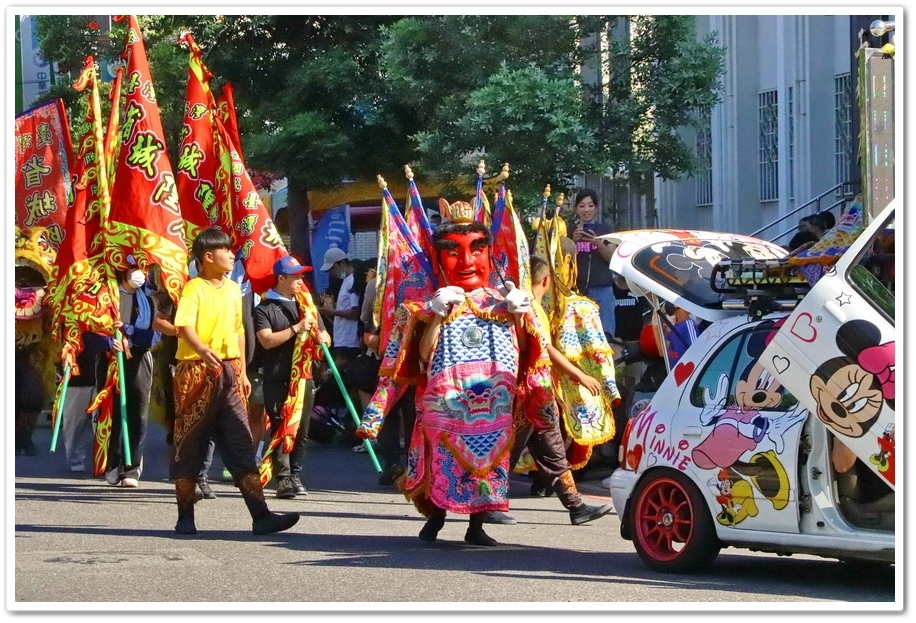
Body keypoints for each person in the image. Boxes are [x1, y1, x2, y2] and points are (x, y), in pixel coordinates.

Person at [357, 201, 556, 547]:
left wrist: (521, 316)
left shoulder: (504, 301)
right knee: (441, 462)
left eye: (477, 250)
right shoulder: (424, 305)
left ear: (490, 253)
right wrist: (434, 314)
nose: (466, 262)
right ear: (438, 257)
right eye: (453, 252)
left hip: (492, 404)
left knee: (486, 467)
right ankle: (435, 518)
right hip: (445, 403)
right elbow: (419, 357)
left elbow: (524, 353)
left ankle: (477, 525)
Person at [169, 226, 299, 536]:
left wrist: (241, 370)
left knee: (241, 442)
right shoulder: (193, 288)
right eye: (226, 251)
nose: (232, 255)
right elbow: (183, 323)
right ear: (208, 256)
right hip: (195, 372)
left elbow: (240, 330)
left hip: (228, 372)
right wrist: (201, 348)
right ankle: (185, 516)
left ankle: (261, 515)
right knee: (189, 445)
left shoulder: (232, 289)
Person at [503, 256, 615, 526]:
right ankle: (483, 508)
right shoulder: (524, 306)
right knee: (506, 453)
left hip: (541, 391)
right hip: (525, 392)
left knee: (553, 450)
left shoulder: (532, 306)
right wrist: (579, 375)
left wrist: (575, 375)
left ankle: (576, 507)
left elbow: (546, 349)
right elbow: (541, 349)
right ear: (546, 280)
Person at [253, 255, 330, 500]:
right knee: (280, 427)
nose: (300, 280)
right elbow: (266, 340)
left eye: (301, 275)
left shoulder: (306, 305)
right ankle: (283, 478)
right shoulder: (264, 308)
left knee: (302, 430)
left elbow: (327, 338)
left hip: (304, 376)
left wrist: (320, 337)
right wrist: (296, 329)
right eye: (295, 276)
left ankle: (295, 474)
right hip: (277, 377)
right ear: (281, 278)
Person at [104, 259, 167, 488]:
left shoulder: (148, 300)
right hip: (110, 360)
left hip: (139, 357)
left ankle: (131, 468)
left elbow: (155, 335)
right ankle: (112, 463)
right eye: (134, 268)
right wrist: (108, 342)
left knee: (137, 412)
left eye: (143, 268)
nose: (140, 273)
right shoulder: (107, 295)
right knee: (112, 411)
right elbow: (90, 329)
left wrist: (130, 332)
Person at [60, 332, 111, 473]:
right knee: (74, 420)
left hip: (105, 370)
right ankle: (75, 457)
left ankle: (105, 459)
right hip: (78, 370)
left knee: (103, 419)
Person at [571, 189, 616, 339]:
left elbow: (612, 258)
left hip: (602, 289)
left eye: (590, 205)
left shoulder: (606, 230)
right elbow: (561, 260)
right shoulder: (569, 230)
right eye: (582, 206)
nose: (586, 210)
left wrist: (599, 243)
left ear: (596, 208)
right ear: (576, 209)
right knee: (581, 336)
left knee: (606, 334)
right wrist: (572, 242)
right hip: (577, 290)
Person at [318, 248, 361, 370]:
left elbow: (355, 312)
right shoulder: (346, 281)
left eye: (332, 268)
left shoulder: (352, 281)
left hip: (349, 340)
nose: (332, 272)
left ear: (342, 264)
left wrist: (330, 312)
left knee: (342, 373)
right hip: (343, 338)